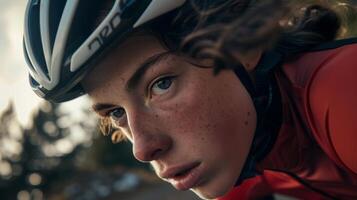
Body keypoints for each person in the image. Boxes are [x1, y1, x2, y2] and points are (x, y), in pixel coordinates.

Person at [23, 0, 357, 199]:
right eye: (116, 113)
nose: (141, 148)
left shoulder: (342, 90)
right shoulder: (243, 149)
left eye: (162, 83)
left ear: (243, 43)